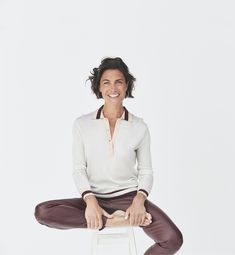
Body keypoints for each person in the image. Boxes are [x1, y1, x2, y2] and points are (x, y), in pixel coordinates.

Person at [34, 57, 183, 254]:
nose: (113, 88)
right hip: (94, 198)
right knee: (43, 212)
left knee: (173, 239)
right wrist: (91, 203)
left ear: (126, 86)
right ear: (99, 88)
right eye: (106, 82)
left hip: (129, 198)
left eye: (118, 82)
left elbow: (146, 172)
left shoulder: (139, 127)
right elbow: (79, 169)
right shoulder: (82, 124)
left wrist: (139, 202)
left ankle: (120, 216)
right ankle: (107, 221)